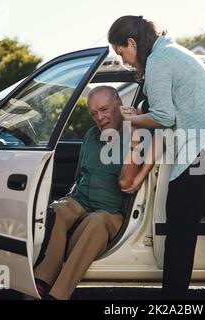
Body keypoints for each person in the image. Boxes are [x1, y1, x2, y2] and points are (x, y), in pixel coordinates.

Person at [108, 15, 205, 299]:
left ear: (132, 42)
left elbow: (164, 117)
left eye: (121, 52)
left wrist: (132, 121)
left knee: (179, 235)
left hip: (203, 150)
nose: (123, 60)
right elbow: (174, 111)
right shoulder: (171, 51)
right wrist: (140, 115)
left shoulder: (159, 61)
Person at [32, 86, 154, 300]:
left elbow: (127, 181)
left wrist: (133, 131)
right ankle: (42, 280)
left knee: (96, 221)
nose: (100, 117)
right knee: (57, 210)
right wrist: (69, 201)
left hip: (111, 213)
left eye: (104, 109)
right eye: (94, 113)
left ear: (119, 103)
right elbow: (80, 175)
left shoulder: (135, 135)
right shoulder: (91, 135)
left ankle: (58, 294)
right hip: (81, 203)